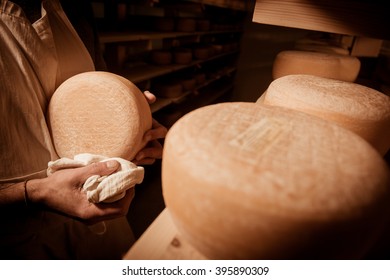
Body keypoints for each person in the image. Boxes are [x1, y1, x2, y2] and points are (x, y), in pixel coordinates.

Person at [0, 0, 167, 259]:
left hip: (100, 213)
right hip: (17, 243)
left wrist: (130, 121)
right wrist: (33, 193)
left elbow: (91, 88)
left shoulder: (76, 6)